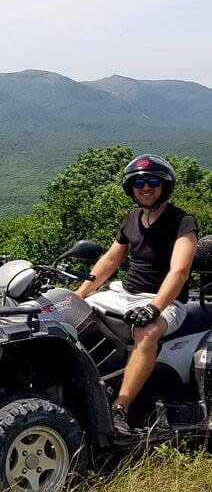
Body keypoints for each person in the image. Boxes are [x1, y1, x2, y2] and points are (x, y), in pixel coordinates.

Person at [74, 154, 197, 435]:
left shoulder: (183, 221)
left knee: (147, 331)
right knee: (66, 310)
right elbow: (110, 261)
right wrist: (79, 294)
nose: (146, 187)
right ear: (131, 188)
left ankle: (121, 407)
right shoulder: (132, 218)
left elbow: (179, 271)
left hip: (166, 300)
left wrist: (154, 308)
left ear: (165, 185)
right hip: (125, 293)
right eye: (138, 182)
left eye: (153, 181)